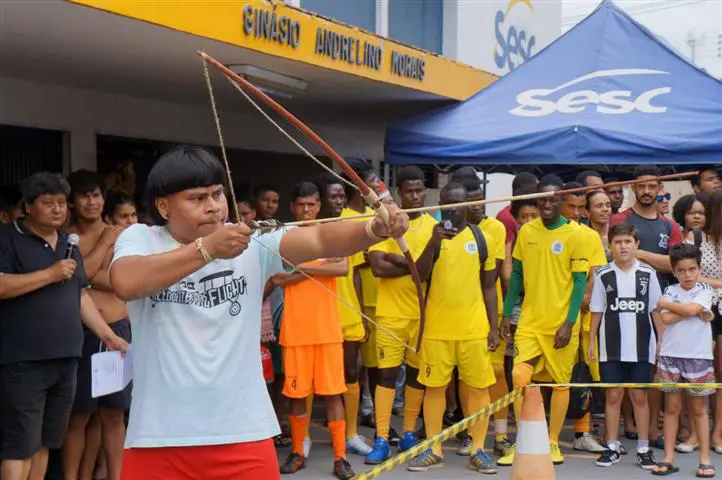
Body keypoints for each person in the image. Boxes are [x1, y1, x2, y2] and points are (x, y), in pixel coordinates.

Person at [110, 146, 408, 480]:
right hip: (158, 439)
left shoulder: (251, 241)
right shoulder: (141, 239)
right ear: (163, 206)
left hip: (245, 435)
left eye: (217, 194)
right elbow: (127, 281)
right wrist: (207, 250)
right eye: (196, 198)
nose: (213, 207)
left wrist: (374, 230)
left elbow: (322, 237)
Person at [0, 172, 127, 480]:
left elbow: (80, 295)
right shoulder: (8, 238)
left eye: (61, 203)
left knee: (46, 442)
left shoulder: (67, 243)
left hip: (67, 358)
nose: (58, 209)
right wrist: (49, 274)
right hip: (24, 362)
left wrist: (108, 335)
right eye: (48, 203)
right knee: (20, 445)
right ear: (28, 206)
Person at [408, 182, 499, 473]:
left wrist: (494, 327)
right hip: (437, 329)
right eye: (448, 204)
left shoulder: (482, 238)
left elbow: (489, 287)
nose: (453, 209)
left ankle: (478, 448)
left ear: (467, 206)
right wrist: (433, 241)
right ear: (441, 205)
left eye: (458, 204)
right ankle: (434, 448)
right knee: (434, 388)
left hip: (473, 329)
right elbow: (418, 276)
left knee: (479, 388)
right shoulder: (430, 235)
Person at [499, 174, 589, 466]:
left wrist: (569, 322)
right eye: (542, 199)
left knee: (560, 384)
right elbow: (516, 277)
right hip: (530, 322)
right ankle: (523, 440)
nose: (547, 204)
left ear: (563, 201)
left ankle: (551, 442)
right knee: (519, 378)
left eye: (553, 199)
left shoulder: (576, 235)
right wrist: (505, 313)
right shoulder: (526, 232)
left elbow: (579, 282)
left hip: (561, 324)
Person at [275, 182, 355, 479]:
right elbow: (280, 275)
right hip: (296, 331)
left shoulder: (330, 233)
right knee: (297, 395)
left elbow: (342, 268)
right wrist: (318, 264)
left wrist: (304, 269)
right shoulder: (285, 235)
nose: (306, 210)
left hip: (327, 330)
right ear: (293, 207)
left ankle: (340, 457)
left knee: (333, 394)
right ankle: (297, 452)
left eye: (311, 204)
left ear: (319, 205)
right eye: (300, 205)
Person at [62, 171, 133, 480]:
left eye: (97, 195)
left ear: (104, 198)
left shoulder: (125, 234)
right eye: (84, 195)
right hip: (78, 332)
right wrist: (104, 244)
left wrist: (92, 272)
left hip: (117, 329)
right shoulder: (65, 236)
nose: (91, 201)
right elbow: (80, 276)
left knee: (114, 413)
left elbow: (122, 280)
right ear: (72, 202)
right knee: (78, 416)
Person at [611, 166, 684, 449]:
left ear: (659, 188)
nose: (646, 191)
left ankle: (652, 426)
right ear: (633, 188)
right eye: (641, 186)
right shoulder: (621, 219)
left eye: (652, 186)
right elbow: (613, 256)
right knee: (628, 362)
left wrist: (637, 253)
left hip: (661, 303)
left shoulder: (669, 225)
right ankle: (628, 424)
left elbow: (673, 264)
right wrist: (655, 258)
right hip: (625, 304)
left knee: (654, 364)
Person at [365, 167, 435, 464]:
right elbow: (378, 267)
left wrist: (403, 261)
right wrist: (412, 265)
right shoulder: (385, 223)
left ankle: (408, 431)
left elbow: (429, 271)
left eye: (420, 190)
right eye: (409, 191)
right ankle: (381, 436)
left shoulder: (434, 225)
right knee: (387, 376)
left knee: (417, 377)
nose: (416, 196)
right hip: (391, 315)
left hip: (423, 316)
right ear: (399, 192)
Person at [588, 223, 662, 470]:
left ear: (636, 245)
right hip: (611, 346)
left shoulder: (648, 274)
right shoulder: (603, 275)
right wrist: (591, 341)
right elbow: (597, 310)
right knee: (613, 395)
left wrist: (661, 341)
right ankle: (611, 446)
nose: (623, 246)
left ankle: (643, 448)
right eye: (618, 242)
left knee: (639, 396)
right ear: (610, 246)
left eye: (628, 242)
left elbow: (656, 310)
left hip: (642, 346)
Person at [454, 175, 512, 457]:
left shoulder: (495, 229)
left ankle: (500, 435)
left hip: (490, 312)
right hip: (459, 316)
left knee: (496, 373)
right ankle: (470, 432)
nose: (477, 205)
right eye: (470, 200)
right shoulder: (448, 232)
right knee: (467, 378)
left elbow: (493, 276)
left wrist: (503, 318)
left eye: (480, 198)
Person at [652, 244, 716, 478]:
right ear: (674, 271)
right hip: (671, 356)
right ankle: (668, 458)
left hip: (698, 358)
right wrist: (691, 311)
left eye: (692, 269)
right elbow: (667, 320)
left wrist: (667, 305)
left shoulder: (705, 290)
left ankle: (705, 460)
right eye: (682, 270)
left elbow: (682, 311)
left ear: (699, 269)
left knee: (699, 410)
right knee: (672, 408)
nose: (687, 275)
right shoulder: (670, 289)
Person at [559, 182, 607, 454]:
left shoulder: (590, 235)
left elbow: (596, 271)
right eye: (571, 207)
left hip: (582, 318)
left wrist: (585, 298)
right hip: (552, 315)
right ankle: (542, 429)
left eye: (580, 208)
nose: (575, 213)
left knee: (584, 373)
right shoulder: (546, 232)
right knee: (550, 375)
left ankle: (582, 431)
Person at [685, 190, 722, 452]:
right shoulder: (696, 237)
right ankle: (697, 433)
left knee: (721, 374)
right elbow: (687, 274)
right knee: (698, 373)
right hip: (701, 310)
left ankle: (718, 432)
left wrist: (709, 282)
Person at [497, 172, 538, 246]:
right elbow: (507, 249)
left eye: (534, 216)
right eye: (524, 216)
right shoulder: (507, 218)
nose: (529, 221)